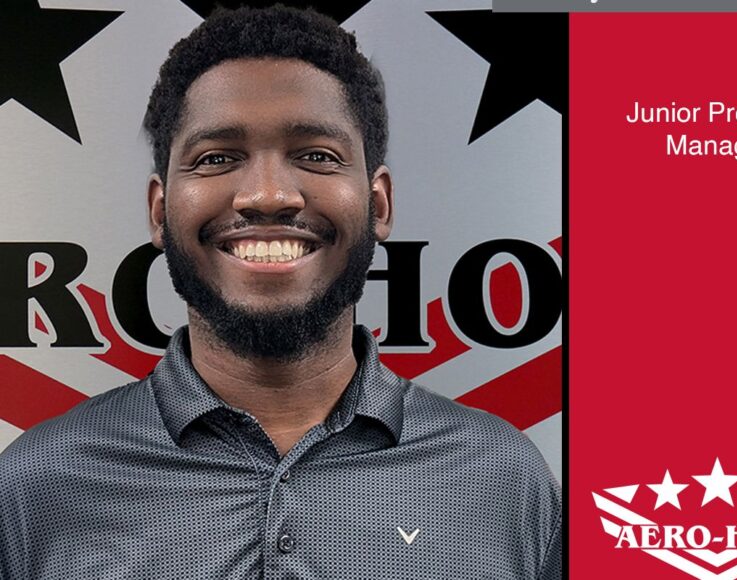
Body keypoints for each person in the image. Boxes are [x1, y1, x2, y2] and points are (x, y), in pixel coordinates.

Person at [0, 6, 561, 579]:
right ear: (160, 209)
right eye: (217, 158)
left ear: (380, 203)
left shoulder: (503, 479)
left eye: (316, 155)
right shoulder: (36, 486)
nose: (267, 195)